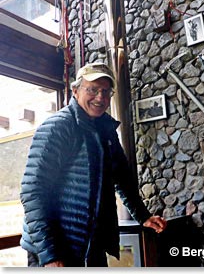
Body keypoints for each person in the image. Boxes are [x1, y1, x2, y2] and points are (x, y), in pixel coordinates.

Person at [20, 63, 167, 267]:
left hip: (92, 245)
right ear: (75, 90)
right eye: (92, 89)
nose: (100, 97)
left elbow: (122, 177)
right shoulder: (57, 127)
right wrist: (50, 255)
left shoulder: (105, 129)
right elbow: (33, 192)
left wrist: (143, 216)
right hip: (56, 250)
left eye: (106, 92)